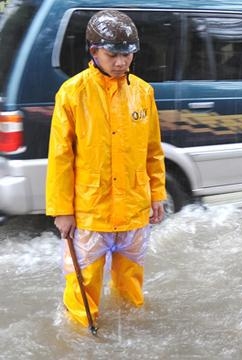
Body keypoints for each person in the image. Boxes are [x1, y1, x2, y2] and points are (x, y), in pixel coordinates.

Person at [46, 10, 166, 328]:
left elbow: (153, 152)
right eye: (113, 54)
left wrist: (157, 195)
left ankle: (133, 338)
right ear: (93, 51)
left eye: (127, 55)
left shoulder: (144, 92)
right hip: (89, 212)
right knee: (82, 294)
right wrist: (62, 211)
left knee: (131, 292)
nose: (121, 62)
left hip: (134, 209)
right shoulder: (72, 94)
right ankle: (83, 340)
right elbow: (60, 158)